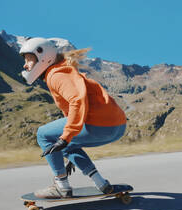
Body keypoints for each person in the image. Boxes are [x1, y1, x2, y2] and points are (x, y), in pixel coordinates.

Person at [19, 37, 127, 199]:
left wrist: (67, 137)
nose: (25, 65)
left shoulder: (56, 75)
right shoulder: (62, 70)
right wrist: (68, 144)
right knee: (64, 141)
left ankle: (61, 186)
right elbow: (72, 112)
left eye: (29, 60)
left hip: (99, 126)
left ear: (43, 57)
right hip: (117, 126)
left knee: (44, 134)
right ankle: (101, 183)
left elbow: (77, 100)